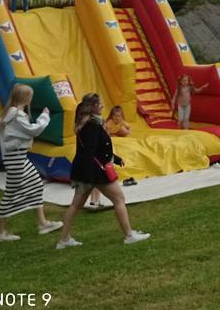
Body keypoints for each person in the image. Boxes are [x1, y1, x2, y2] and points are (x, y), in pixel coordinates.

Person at [56, 93, 150, 248]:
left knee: (75, 206)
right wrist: (90, 176)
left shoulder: (87, 124)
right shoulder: (92, 125)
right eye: (99, 104)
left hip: (86, 172)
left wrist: (115, 158)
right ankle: (129, 235)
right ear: (93, 107)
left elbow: (96, 150)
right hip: (94, 173)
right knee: (119, 199)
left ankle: (63, 240)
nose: (102, 106)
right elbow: (91, 152)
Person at [0, 84, 63, 242]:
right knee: (10, 194)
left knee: (37, 184)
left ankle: (43, 223)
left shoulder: (10, 113)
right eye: (30, 96)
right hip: (16, 158)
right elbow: (33, 130)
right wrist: (44, 116)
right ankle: (0, 233)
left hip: (17, 157)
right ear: (26, 98)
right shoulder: (17, 115)